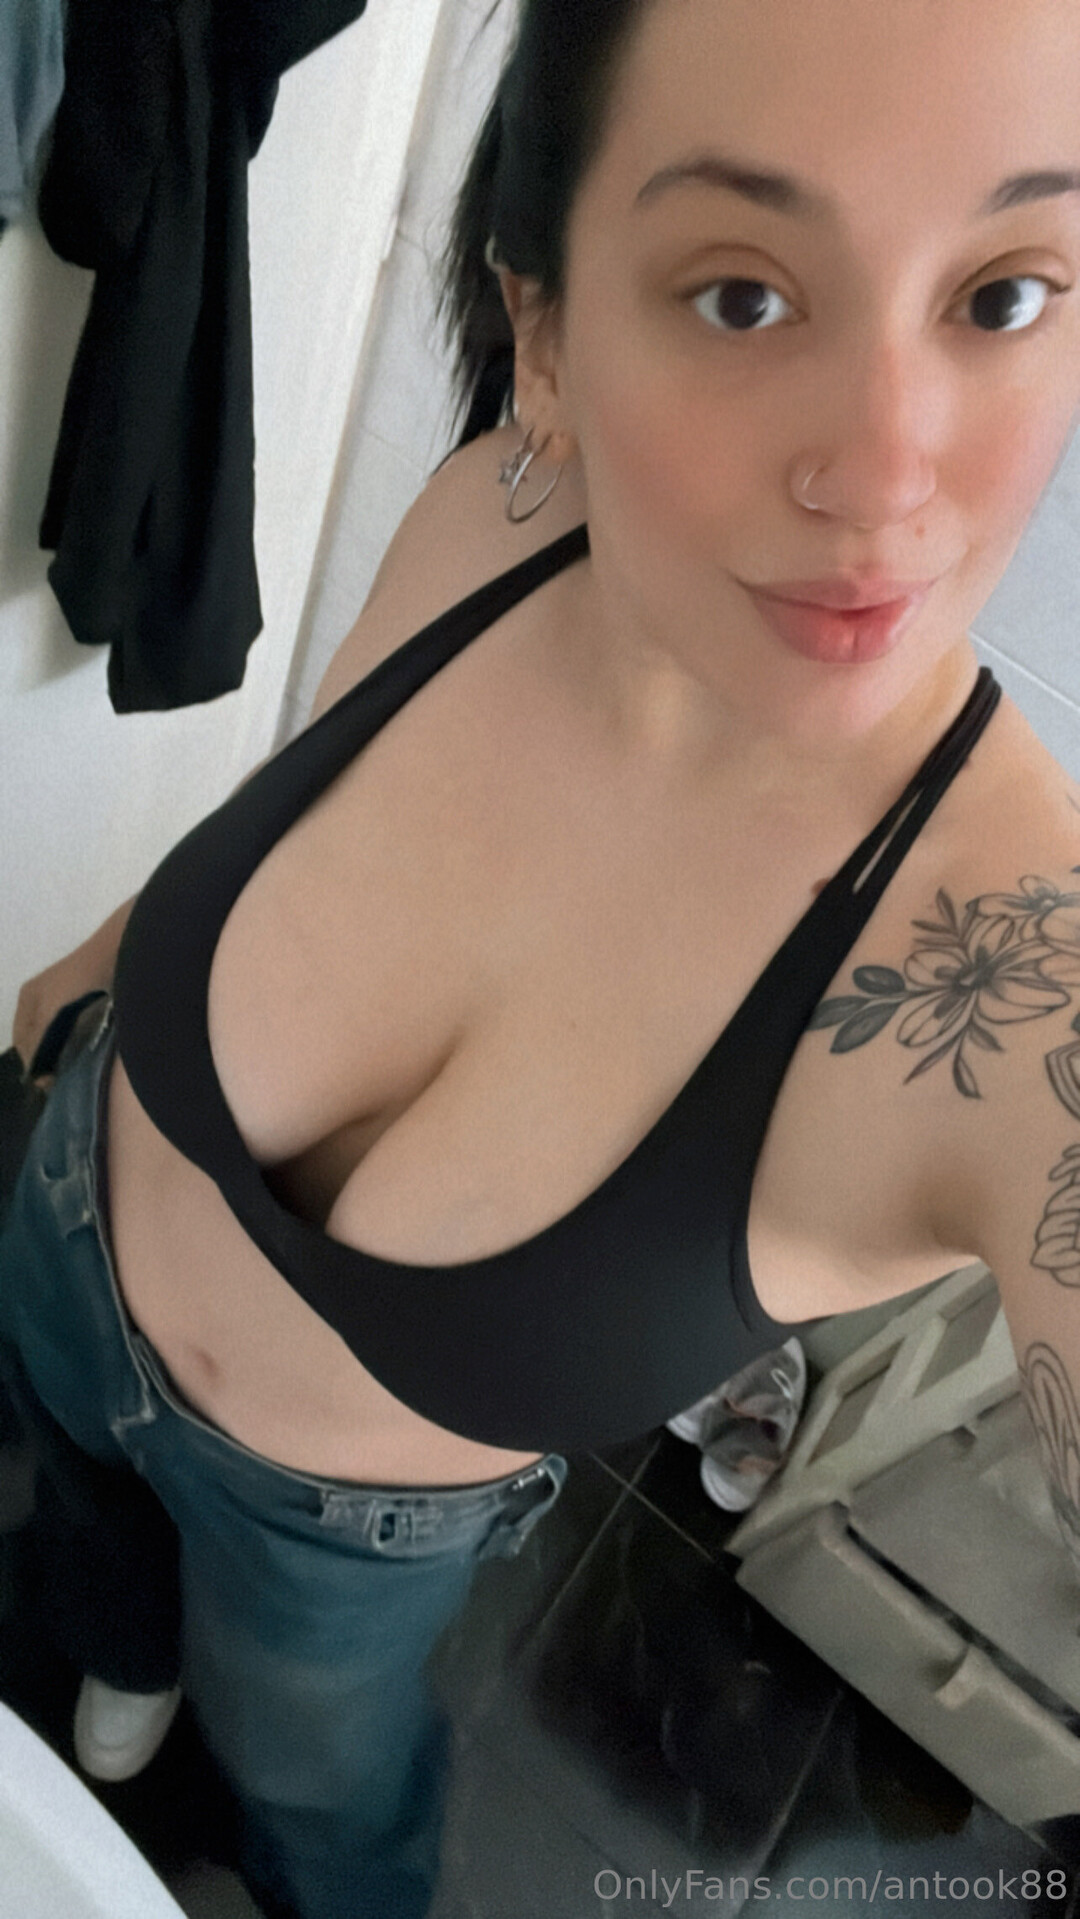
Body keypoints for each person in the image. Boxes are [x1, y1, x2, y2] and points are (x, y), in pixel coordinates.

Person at [4, 0, 1080, 1912]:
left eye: (1003, 297)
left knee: (324, 1813)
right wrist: (109, 948)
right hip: (70, 1233)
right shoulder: (500, 509)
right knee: (81, 1563)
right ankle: (119, 1667)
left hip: (336, 1545)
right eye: (744, 294)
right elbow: (295, 796)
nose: (887, 474)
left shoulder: (1013, 975)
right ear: (548, 325)